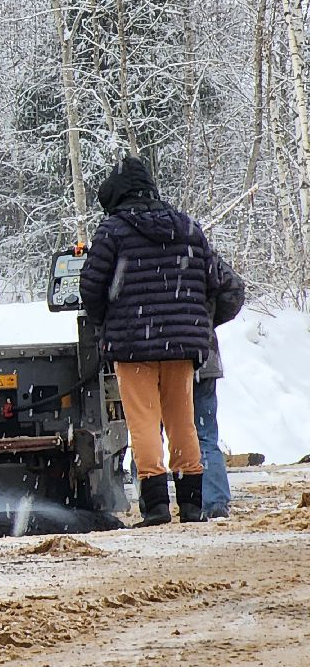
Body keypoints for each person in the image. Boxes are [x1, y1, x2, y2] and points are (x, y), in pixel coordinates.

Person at [80, 156, 227, 526]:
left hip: (134, 344)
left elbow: (91, 286)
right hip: (183, 345)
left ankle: (156, 507)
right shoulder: (189, 227)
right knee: (183, 421)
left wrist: (105, 325)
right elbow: (214, 281)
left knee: (143, 423)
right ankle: (192, 507)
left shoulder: (113, 230)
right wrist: (193, 324)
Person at [196, 253, 246, 519]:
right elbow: (233, 288)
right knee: (205, 435)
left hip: (149, 358)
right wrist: (207, 321)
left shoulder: (127, 245)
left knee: (148, 432)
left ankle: (154, 503)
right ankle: (214, 502)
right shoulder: (194, 243)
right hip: (201, 354)